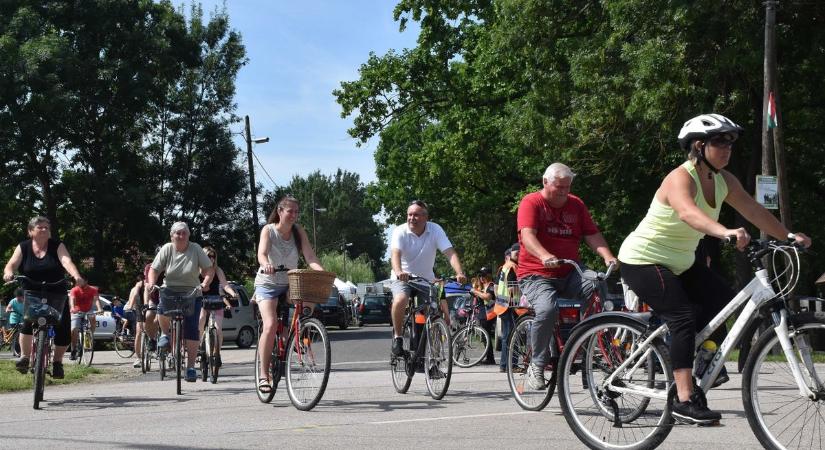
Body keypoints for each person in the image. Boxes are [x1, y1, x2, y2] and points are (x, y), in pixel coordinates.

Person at [618, 113, 811, 425]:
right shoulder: (680, 177)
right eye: (720, 141)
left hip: (681, 262)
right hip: (643, 259)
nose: (727, 148)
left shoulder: (724, 181)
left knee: (724, 300)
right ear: (698, 146)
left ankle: (705, 356)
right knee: (682, 317)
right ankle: (683, 400)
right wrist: (725, 232)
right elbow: (687, 213)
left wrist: (787, 236)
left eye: (730, 143)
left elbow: (753, 210)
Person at [517, 163, 617, 390]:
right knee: (547, 309)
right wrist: (544, 255)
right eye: (558, 186)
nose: (563, 191)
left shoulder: (576, 204)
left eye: (567, 187)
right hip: (536, 274)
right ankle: (537, 364)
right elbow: (528, 236)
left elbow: (592, 234)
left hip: (571, 271)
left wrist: (608, 256)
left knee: (596, 283)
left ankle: (589, 341)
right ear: (545, 182)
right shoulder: (531, 202)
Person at [254, 196, 325, 394]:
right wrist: (265, 264)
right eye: (290, 211)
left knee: (309, 297)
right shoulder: (269, 230)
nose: (293, 215)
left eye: (296, 212)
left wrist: (321, 272)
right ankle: (263, 375)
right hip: (267, 283)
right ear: (280, 211)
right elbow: (262, 253)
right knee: (270, 325)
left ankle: (297, 333)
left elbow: (310, 256)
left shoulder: (298, 231)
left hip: (290, 283)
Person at [3, 216, 84, 379]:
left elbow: (66, 261)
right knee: (27, 322)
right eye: (40, 227)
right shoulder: (23, 247)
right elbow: (12, 263)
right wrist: (8, 273)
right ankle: (25, 357)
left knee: (63, 328)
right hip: (32, 292)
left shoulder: (57, 246)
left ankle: (57, 363)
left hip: (56, 291)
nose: (44, 229)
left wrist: (76, 276)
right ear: (30, 231)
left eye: (47, 227)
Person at [390, 200, 467, 357]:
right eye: (409, 214)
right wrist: (399, 271)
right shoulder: (400, 231)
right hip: (403, 277)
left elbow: (450, 253)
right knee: (400, 299)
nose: (412, 218)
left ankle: (435, 359)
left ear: (426, 217)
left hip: (426, 280)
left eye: (416, 215)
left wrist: (460, 272)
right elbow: (395, 254)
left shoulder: (435, 230)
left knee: (434, 316)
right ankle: (398, 337)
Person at [145, 222, 215, 383]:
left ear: (189, 235)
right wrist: (151, 283)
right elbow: (154, 269)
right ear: (172, 236)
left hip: (192, 290)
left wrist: (205, 283)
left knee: (192, 327)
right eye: (177, 233)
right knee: (161, 309)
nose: (181, 236)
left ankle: (190, 367)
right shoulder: (167, 249)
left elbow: (209, 269)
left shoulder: (196, 248)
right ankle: (165, 334)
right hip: (170, 288)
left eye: (184, 233)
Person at [198, 246, 238, 370]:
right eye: (208, 256)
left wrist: (232, 293)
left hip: (215, 301)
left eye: (213, 256)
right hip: (201, 301)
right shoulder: (196, 270)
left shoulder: (217, 270)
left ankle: (217, 353)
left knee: (218, 329)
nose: (211, 259)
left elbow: (225, 285)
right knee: (200, 319)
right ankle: (200, 346)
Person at [494, 244, 520, 373]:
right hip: (510, 305)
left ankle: (504, 365)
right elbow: (511, 287)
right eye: (517, 253)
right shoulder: (512, 266)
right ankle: (511, 365)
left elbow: (496, 288)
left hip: (502, 305)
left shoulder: (503, 267)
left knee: (506, 337)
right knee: (512, 336)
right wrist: (521, 293)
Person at [68, 274, 104, 360]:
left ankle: (89, 337)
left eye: (80, 281)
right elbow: (72, 299)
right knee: (73, 329)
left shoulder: (93, 290)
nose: (78, 282)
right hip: (77, 311)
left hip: (88, 310)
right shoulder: (74, 289)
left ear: (86, 281)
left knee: (93, 320)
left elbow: (96, 300)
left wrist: (99, 308)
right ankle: (73, 350)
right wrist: (73, 308)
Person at [469, 267, 496, 365]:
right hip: (482, 314)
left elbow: (487, 297)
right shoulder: (481, 286)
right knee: (485, 337)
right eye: (480, 275)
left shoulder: (491, 285)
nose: (481, 277)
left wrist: (475, 291)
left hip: (488, 314)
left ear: (488, 275)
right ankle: (489, 357)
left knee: (487, 336)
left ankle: (490, 358)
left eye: (483, 275)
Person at [124, 273, 145, 368]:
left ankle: (138, 357)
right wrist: (131, 305)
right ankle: (139, 356)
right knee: (139, 331)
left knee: (139, 332)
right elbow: (134, 295)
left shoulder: (136, 286)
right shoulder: (139, 285)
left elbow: (132, 297)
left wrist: (130, 306)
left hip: (136, 309)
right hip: (137, 309)